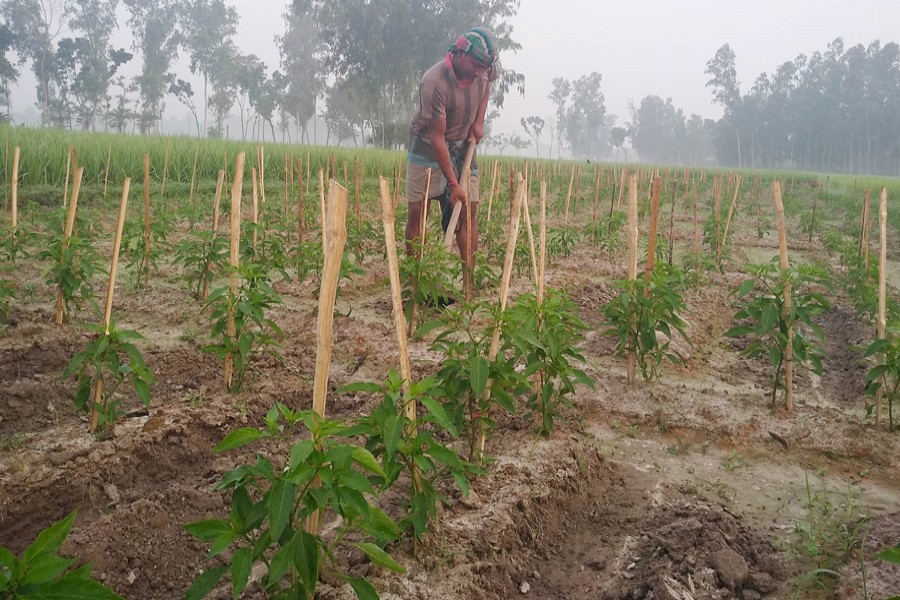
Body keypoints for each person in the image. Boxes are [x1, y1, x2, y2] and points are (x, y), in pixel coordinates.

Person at [405, 26, 498, 299]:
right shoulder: (434, 82)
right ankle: (416, 283)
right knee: (417, 212)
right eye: (476, 65)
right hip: (428, 146)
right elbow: (437, 138)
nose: (480, 72)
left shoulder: (485, 69)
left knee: (468, 213)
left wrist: (479, 121)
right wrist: (454, 183)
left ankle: (468, 287)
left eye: (484, 68)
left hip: (463, 145)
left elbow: (487, 86)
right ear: (459, 53)